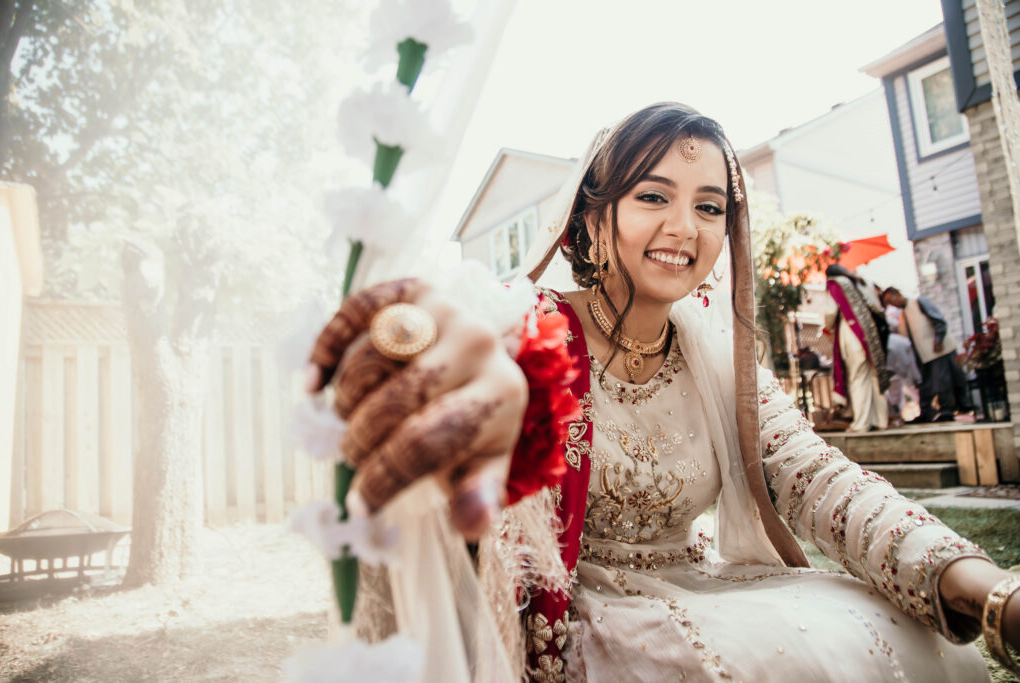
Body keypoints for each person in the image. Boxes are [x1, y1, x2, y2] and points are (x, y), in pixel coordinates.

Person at [308, 103, 1019, 681]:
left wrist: (983, 588)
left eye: (710, 208)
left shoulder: (718, 353)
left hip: (699, 586)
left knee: (913, 636)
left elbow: (818, 478)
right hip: (580, 617)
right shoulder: (529, 337)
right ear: (594, 219)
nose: (685, 227)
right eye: (653, 196)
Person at [881, 287, 969, 423]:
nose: (893, 305)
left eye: (891, 300)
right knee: (925, 385)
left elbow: (939, 320)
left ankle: (947, 410)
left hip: (938, 350)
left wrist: (938, 339)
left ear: (897, 294)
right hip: (923, 356)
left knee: (943, 381)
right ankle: (926, 412)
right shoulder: (903, 315)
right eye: (889, 303)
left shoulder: (918, 302)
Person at [825, 264, 891, 432]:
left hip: (851, 334)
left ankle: (861, 423)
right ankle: (881, 420)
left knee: (858, 377)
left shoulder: (835, 284)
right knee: (873, 376)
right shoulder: (861, 282)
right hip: (870, 335)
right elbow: (876, 307)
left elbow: (830, 312)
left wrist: (827, 326)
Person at [883, 301, 922, 426]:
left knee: (894, 395)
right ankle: (896, 416)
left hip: (893, 371)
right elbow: (910, 362)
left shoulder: (896, 341)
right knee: (896, 395)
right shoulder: (901, 341)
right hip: (897, 372)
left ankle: (896, 416)